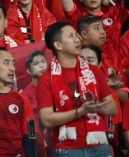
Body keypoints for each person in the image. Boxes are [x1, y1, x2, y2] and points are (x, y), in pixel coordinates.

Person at [37, 22, 119, 152]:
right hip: (67, 149)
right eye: (71, 36)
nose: (77, 39)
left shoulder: (94, 71)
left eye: (76, 35)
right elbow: (47, 119)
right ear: (58, 45)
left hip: (99, 145)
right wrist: (79, 112)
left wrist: (97, 106)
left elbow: (113, 109)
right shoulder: (47, 78)